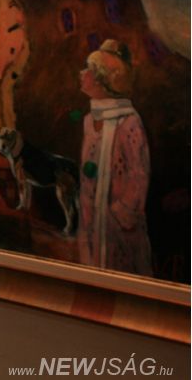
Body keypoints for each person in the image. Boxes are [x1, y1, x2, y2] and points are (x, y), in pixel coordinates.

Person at [76, 39, 152, 276]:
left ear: (103, 81)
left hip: (118, 230)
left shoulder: (129, 122)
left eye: (89, 70)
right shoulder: (89, 121)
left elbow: (139, 176)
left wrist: (120, 215)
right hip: (91, 221)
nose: (82, 74)